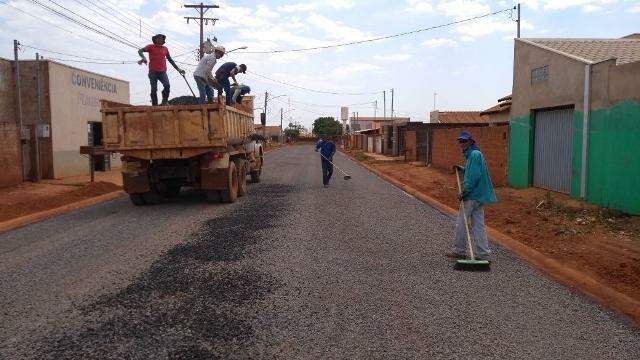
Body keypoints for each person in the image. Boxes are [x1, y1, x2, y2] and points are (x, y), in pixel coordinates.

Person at [446, 131, 497, 260]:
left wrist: (464, 192)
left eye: (464, 141)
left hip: (472, 195)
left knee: (461, 223)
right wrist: (462, 168)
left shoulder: (473, 154)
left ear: (470, 142)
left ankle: (459, 250)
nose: (462, 143)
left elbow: (473, 176)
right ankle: (483, 253)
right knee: (478, 224)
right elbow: (473, 170)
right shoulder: (475, 154)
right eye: (460, 141)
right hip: (480, 196)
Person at [138, 34, 186, 106]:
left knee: (167, 85)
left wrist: (178, 69)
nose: (160, 40)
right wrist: (144, 58)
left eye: (162, 39)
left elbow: (170, 59)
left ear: (163, 40)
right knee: (154, 89)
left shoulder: (165, 49)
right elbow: (140, 51)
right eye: (159, 38)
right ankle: (155, 105)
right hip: (153, 71)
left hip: (162, 72)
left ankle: (164, 101)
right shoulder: (150, 46)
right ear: (155, 39)